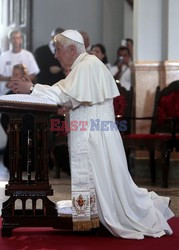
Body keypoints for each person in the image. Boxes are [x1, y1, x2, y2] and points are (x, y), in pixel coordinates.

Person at [9, 29, 174, 239]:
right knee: (107, 186)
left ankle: (104, 215)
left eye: (58, 50)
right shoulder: (84, 66)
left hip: (96, 139)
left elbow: (64, 92)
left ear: (71, 49)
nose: (55, 55)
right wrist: (64, 107)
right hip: (94, 136)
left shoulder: (88, 65)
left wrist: (32, 89)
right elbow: (75, 98)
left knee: (108, 185)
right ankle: (92, 214)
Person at [0, 29, 40, 96]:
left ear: (21, 39)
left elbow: (33, 75)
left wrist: (20, 81)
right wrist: (11, 79)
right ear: (9, 40)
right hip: (6, 92)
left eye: (17, 38)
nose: (15, 41)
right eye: (13, 38)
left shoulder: (28, 55)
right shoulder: (4, 56)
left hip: (24, 92)